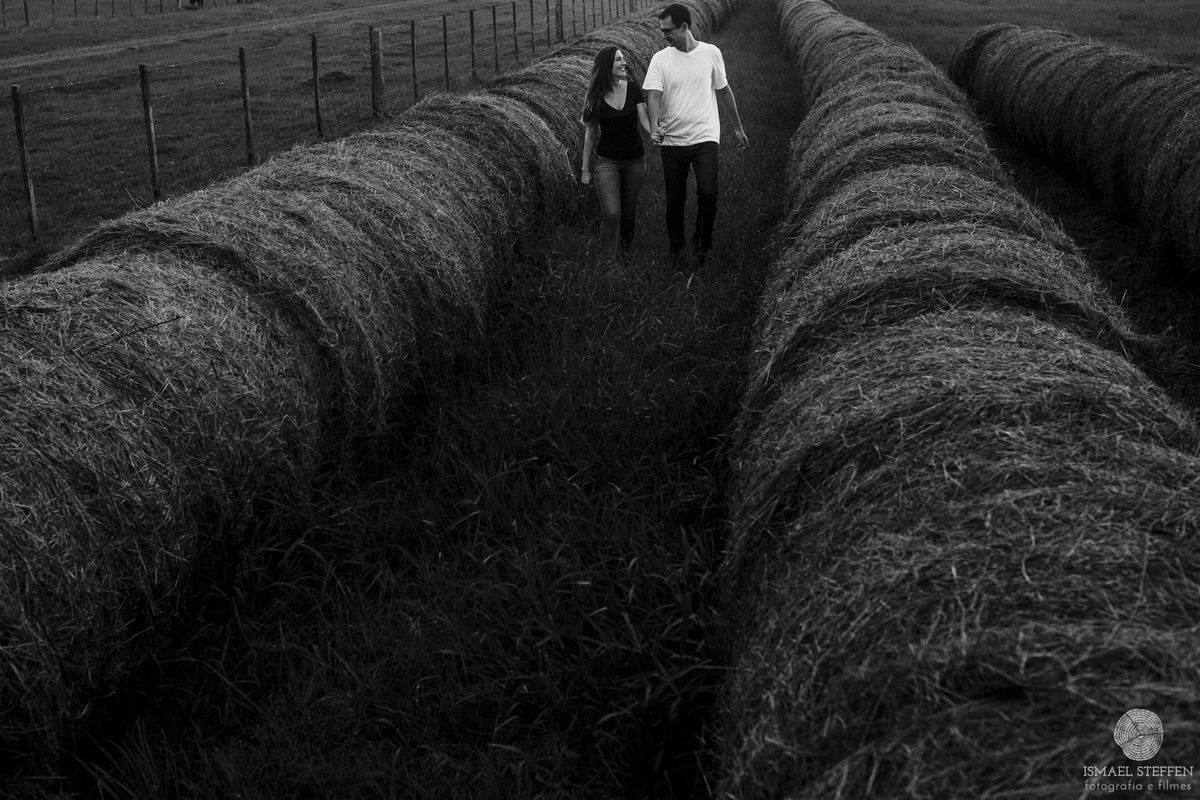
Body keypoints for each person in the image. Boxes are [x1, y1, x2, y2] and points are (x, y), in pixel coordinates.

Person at [644, 3, 749, 266]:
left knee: (709, 194)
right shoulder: (660, 59)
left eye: (668, 31)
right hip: (673, 140)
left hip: (705, 137)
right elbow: (653, 94)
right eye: (661, 31)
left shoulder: (711, 53)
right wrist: (655, 126)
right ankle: (676, 252)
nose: (664, 36)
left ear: (684, 27)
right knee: (674, 201)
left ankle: (702, 247)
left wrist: (737, 128)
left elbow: (724, 91)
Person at [580, 46, 653, 262]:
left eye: (623, 59)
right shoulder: (596, 96)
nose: (624, 64)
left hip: (634, 161)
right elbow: (590, 136)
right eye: (618, 60)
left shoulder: (633, 88)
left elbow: (645, 120)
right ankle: (607, 263)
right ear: (606, 66)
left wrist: (655, 134)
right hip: (607, 162)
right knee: (611, 213)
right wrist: (585, 170)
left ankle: (625, 257)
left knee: (628, 214)